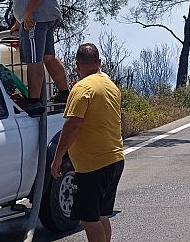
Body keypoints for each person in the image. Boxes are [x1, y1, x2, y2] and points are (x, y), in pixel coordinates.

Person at [51, 43, 125, 242]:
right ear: (99, 62)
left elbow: (72, 126)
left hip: (94, 165)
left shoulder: (82, 88)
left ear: (77, 66)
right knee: (101, 216)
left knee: (89, 220)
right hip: (115, 158)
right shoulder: (111, 86)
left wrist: (57, 157)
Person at [8, 0, 70, 111]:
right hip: (44, 18)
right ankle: (65, 93)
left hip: (35, 20)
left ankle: (34, 102)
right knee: (49, 57)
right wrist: (19, 21)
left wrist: (27, 15)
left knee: (34, 60)